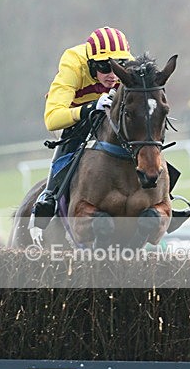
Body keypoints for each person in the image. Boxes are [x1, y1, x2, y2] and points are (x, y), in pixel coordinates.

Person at [30, 27, 133, 229]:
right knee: (75, 133)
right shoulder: (73, 63)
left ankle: (165, 197)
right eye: (104, 67)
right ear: (90, 64)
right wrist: (90, 108)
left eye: (119, 65)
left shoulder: (127, 66)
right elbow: (52, 119)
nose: (113, 75)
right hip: (72, 116)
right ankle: (49, 196)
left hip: (108, 113)